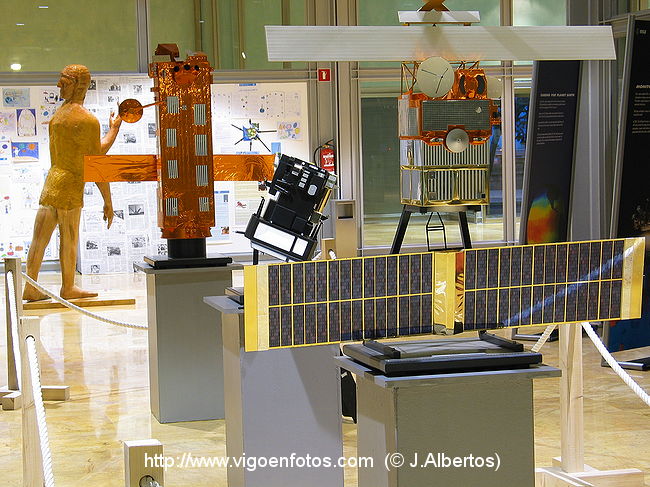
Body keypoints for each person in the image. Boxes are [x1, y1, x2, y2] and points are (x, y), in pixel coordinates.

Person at [23, 64, 122, 301]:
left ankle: (30, 286)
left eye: (64, 82)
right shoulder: (86, 120)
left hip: (52, 183)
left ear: (78, 85)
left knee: (39, 239)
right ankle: (68, 287)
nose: (59, 86)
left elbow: (90, 152)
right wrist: (108, 202)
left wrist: (113, 130)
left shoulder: (58, 116)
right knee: (69, 239)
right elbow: (96, 162)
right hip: (69, 186)